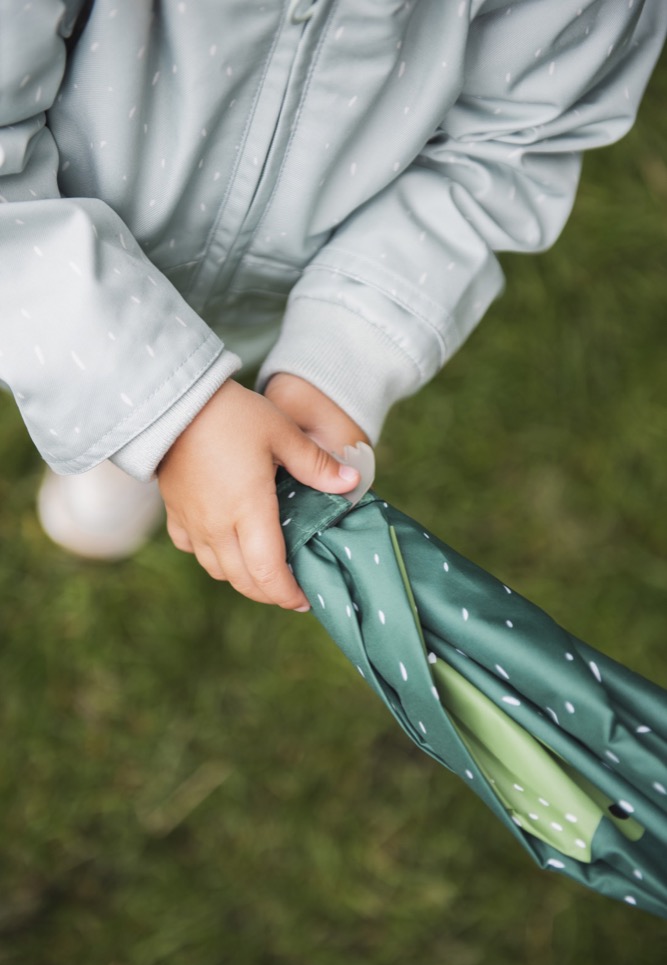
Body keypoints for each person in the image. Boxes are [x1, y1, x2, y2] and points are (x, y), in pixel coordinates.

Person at [2, 0, 665, 611]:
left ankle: (169, 447)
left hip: (290, 266)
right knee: (112, 385)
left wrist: (334, 359)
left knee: (227, 352)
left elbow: (507, 147)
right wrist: (166, 409)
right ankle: (128, 447)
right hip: (55, 251)